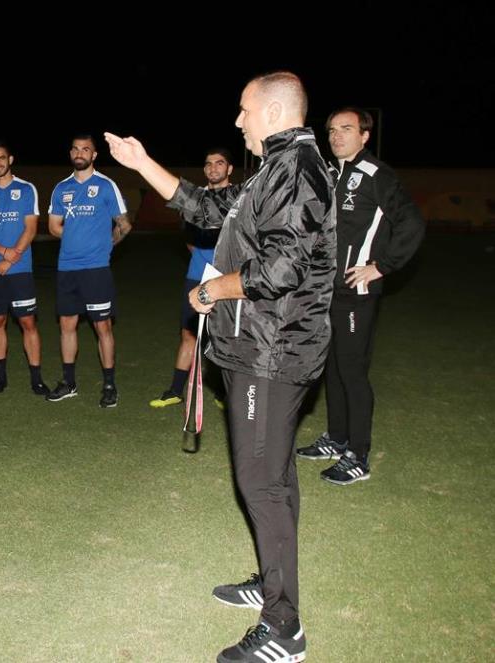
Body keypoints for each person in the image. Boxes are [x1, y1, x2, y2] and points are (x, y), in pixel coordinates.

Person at [106, 70, 336, 662]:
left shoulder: (296, 169)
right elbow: (207, 207)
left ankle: (284, 628)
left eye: (244, 109)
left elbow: (282, 268)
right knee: (274, 475)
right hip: (259, 345)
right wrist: (142, 163)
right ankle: (271, 581)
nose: (238, 120)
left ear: (274, 112)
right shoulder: (275, 167)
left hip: (272, 350)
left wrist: (213, 290)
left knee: (260, 481)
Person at [296, 106, 424, 484]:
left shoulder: (375, 174)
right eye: (332, 130)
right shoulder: (333, 173)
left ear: (364, 135)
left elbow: (412, 222)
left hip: (357, 291)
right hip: (328, 290)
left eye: (346, 129)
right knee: (333, 367)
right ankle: (337, 439)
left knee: (352, 371)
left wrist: (381, 265)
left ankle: (358, 455)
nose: (336, 136)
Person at [45, 134, 131, 407]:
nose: (79, 153)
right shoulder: (61, 189)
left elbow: (124, 224)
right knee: (67, 325)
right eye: (75, 149)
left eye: (85, 149)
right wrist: (76, 238)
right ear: (71, 153)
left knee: (102, 326)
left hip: (96, 269)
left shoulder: (106, 185)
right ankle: (68, 383)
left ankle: (109, 385)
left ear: (94, 155)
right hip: (67, 268)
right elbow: (53, 226)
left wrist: (107, 244)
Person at [150, 148, 236, 408]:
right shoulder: (194, 200)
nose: (213, 168)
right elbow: (188, 238)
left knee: (225, 338)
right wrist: (203, 259)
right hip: (196, 276)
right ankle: (175, 391)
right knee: (189, 335)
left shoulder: (238, 199)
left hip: (228, 280)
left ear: (229, 169)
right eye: (208, 163)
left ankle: (224, 393)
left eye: (219, 163)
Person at [0, 141, 49, 395]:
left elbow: (31, 229)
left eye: (2, 158)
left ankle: (36, 379)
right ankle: (0, 378)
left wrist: (11, 258)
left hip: (20, 270)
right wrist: (3, 252)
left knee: (28, 322)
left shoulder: (26, 189)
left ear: (10, 159)